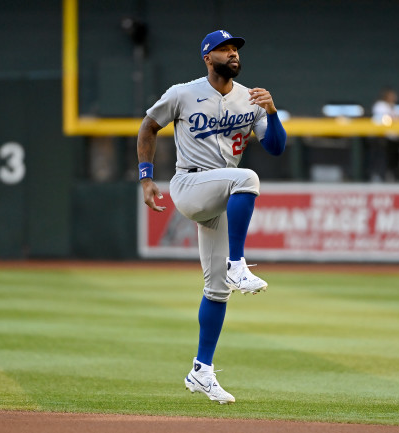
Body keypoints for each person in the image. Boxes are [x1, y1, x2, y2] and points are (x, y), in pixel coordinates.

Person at [137, 30, 287, 404]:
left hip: (221, 194)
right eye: (224, 49)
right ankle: (238, 262)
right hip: (189, 186)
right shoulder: (183, 93)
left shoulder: (250, 98)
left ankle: (201, 371)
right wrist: (145, 178)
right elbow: (148, 127)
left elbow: (276, 147)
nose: (233, 53)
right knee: (247, 178)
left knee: (216, 289)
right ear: (208, 57)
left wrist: (271, 111)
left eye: (235, 48)